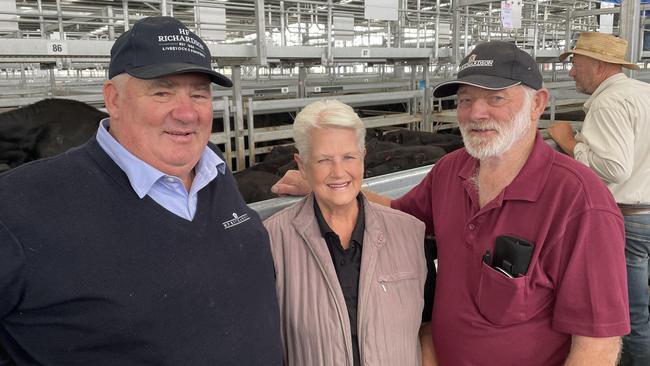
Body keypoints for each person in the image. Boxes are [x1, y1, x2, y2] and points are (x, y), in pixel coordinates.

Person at [271, 41, 630, 366]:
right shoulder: (452, 170)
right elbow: (398, 216)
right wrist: (332, 186)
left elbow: (597, 346)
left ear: (537, 103)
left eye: (496, 98)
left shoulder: (579, 202)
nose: (476, 113)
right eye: (465, 100)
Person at [0, 16, 282, 365]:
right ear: (113, 99)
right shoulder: (18, 206)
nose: (186, 113)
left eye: (199, 94)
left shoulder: (215, 170)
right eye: (162, 92)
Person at [263, 100, 429, 365]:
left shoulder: (409, 232)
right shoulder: (272, 240)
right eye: (323, 160)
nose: (339, 172)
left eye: (349, 157)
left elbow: (429, 326)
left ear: (363, 157)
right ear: (302, 165)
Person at [548, 31, 650, 366]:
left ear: (599, 64)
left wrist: (569, 143)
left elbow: (613, 168)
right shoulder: (643, 92)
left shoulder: (608, 102)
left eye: (576, 62)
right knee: (637, 308)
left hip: (627, 219)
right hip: (645, 212)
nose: (572, 71)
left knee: (626, 315)